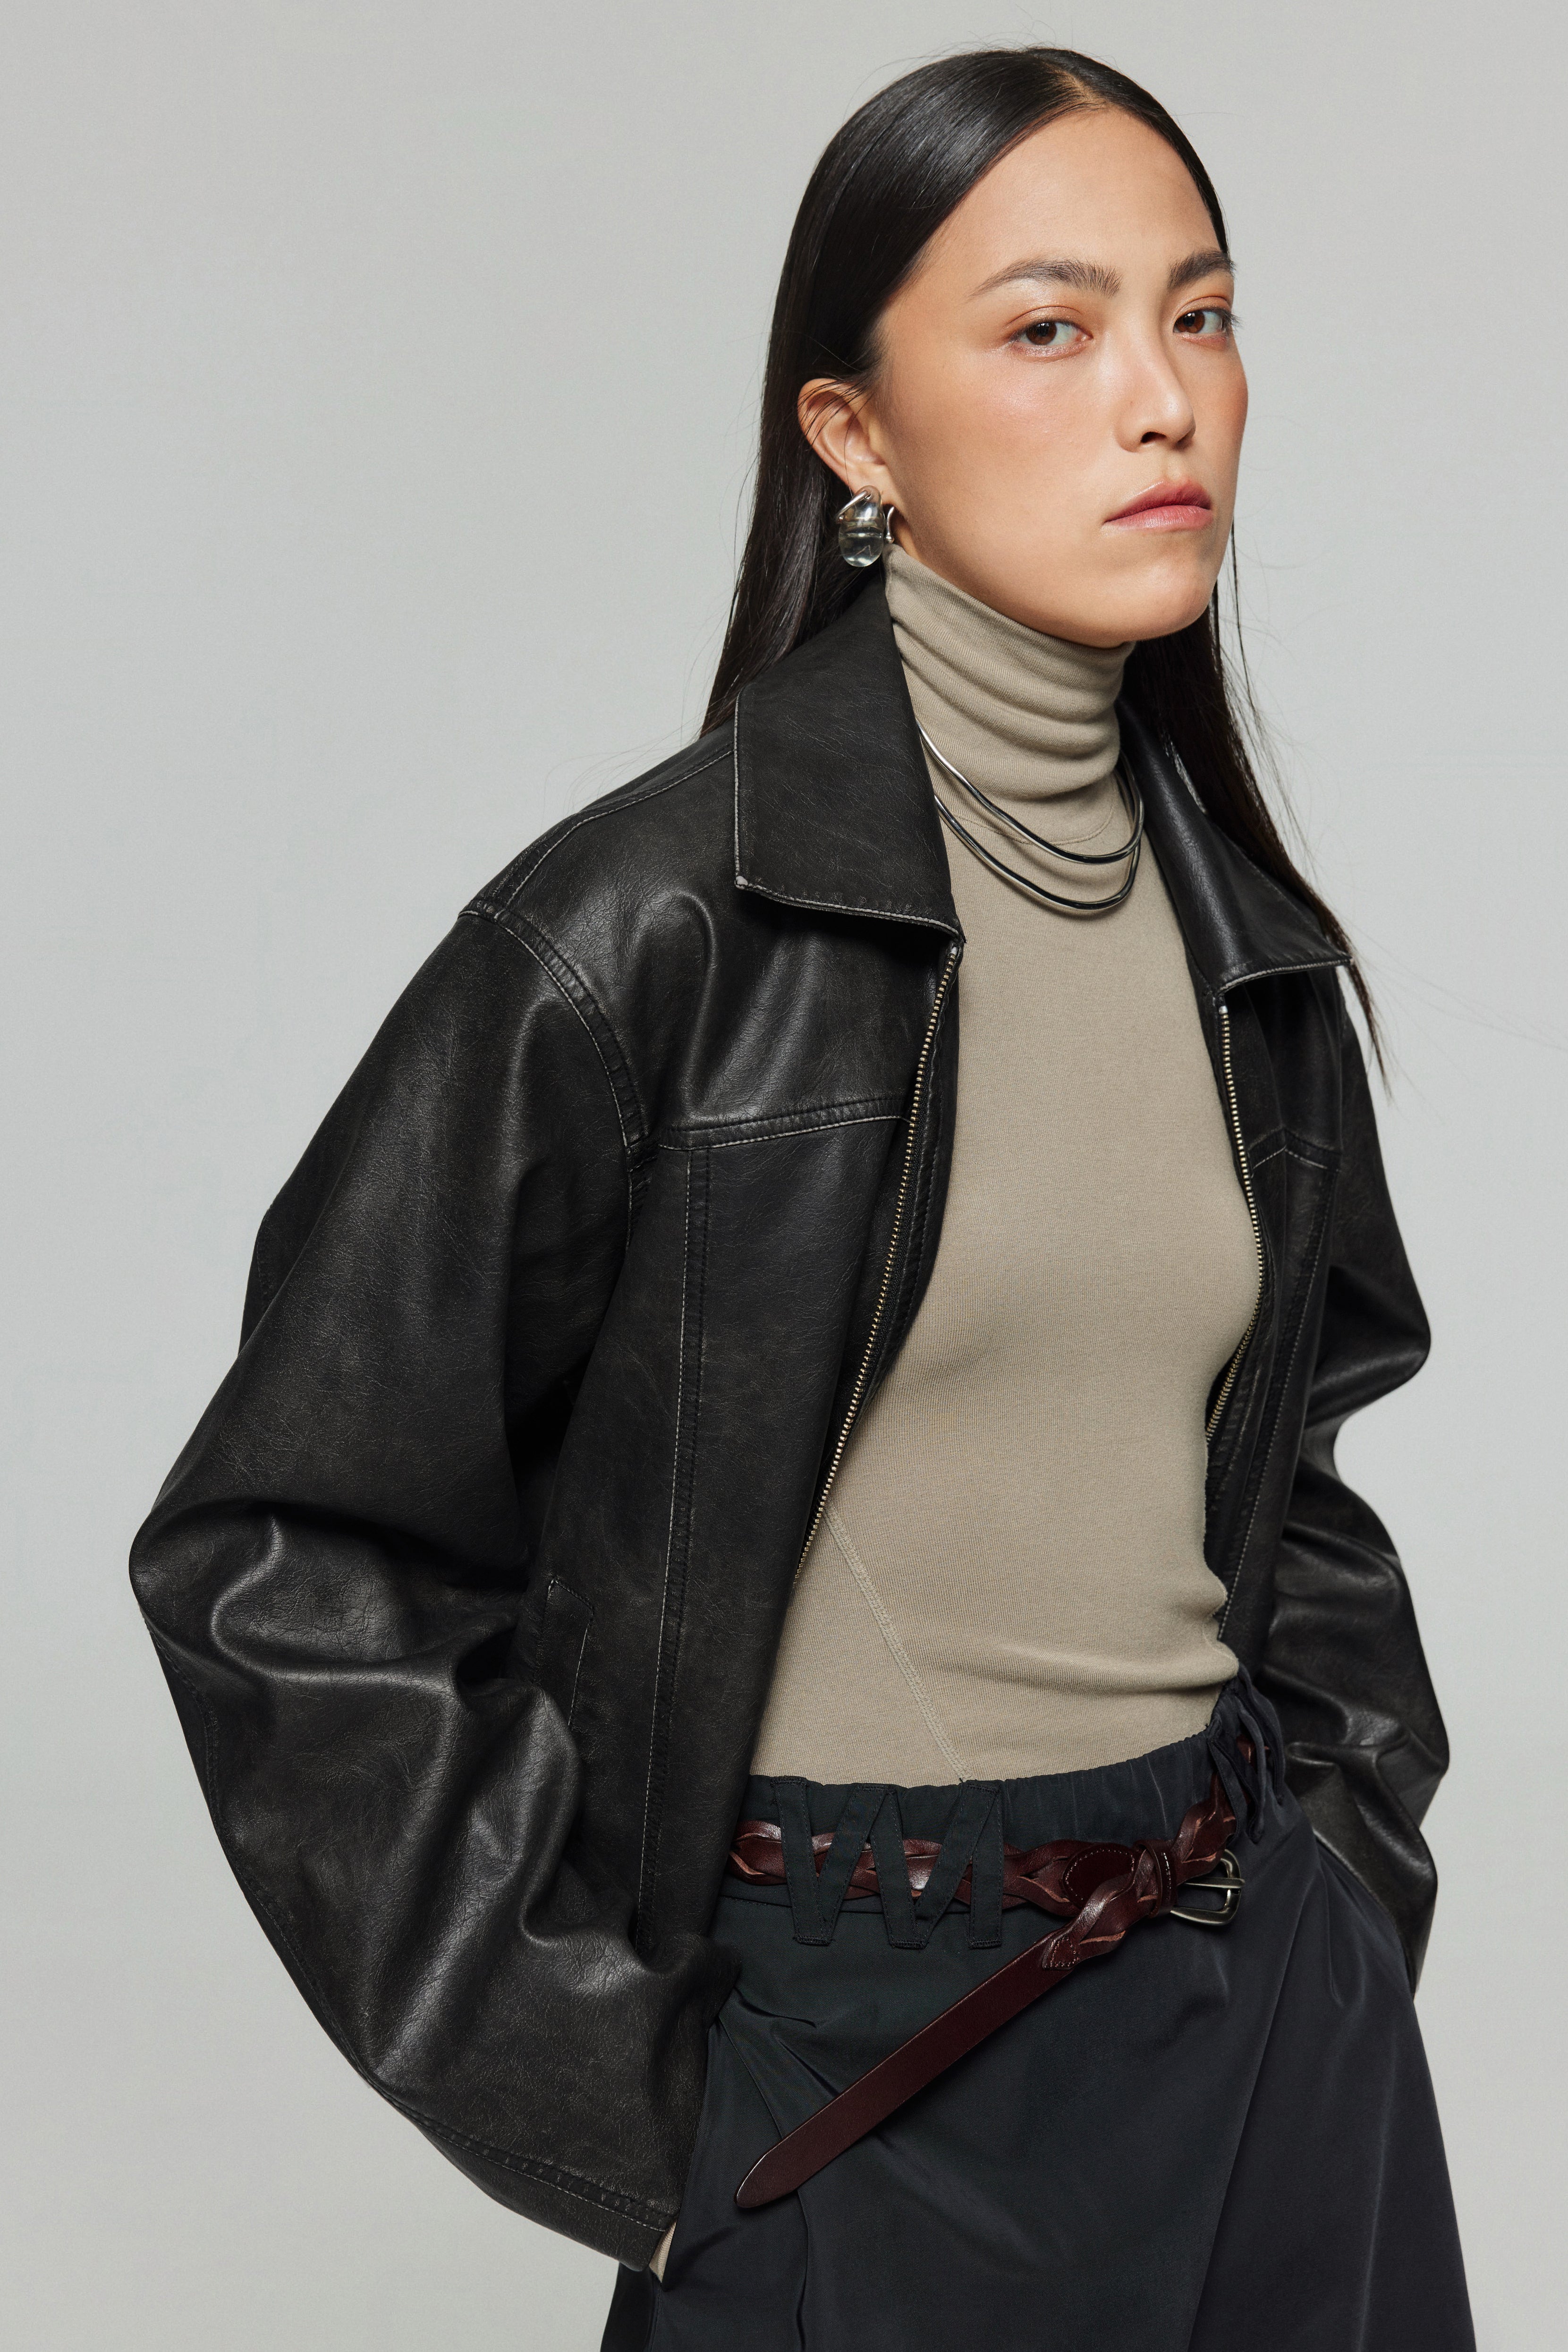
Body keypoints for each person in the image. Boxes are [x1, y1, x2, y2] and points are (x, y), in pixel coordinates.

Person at [131, 45, 1473, 2351]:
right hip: (856, 2045)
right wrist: (620, 2105)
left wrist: (1341, 1880)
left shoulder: (1240, 945)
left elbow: (1295, 1476)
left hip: (1265, 2019)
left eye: (1204, 312)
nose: (1162, 398)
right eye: (1049, 328)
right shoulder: (645, 933)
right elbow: (287, 1550)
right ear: (855, 434)